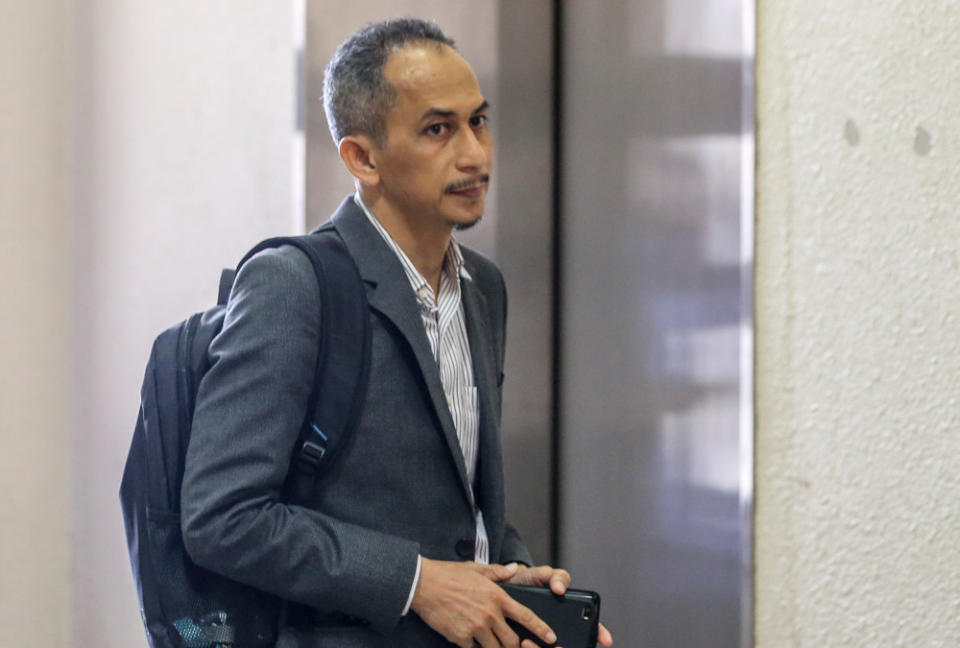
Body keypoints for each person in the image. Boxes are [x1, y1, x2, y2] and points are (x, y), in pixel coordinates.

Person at [181, 17, 613, 648]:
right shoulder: (293, 283)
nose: (474, 154)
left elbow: (458, 509)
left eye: (479, 121)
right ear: (362, 156)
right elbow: (222, 516)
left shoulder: (482, 289)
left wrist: (514, 582)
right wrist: (416, 582)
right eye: (438, 129)